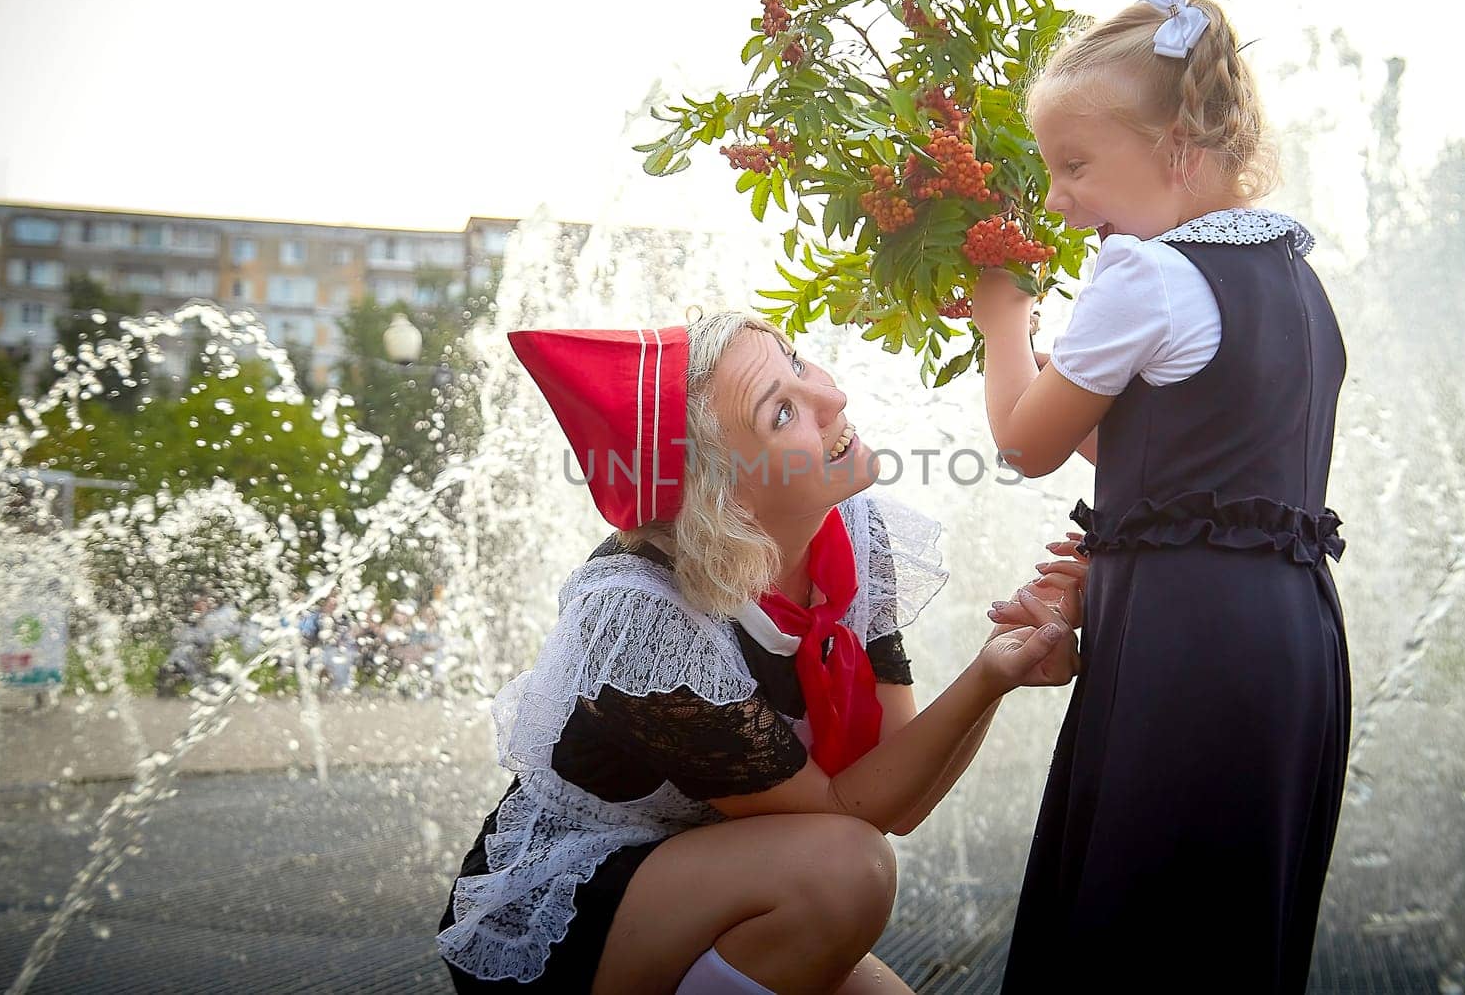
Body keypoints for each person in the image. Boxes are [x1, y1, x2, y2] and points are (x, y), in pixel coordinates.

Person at [437, 314, 1085, 994]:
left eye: (799, 364)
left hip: (732, 871)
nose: (831, 398)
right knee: (847, 873)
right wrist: (986, 680)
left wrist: (995, 665)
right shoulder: (642, 616)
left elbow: (898, 799)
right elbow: (846, 818)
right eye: (782, 411)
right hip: (575, 910)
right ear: (724, 495)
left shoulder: (853, 536)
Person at [974, 0, 1351, 994]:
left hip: (1187, 640)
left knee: (1133, 924)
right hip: (1294, 638)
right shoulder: (1295, 278)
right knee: (1227, 924)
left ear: (1175, 150)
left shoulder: (1147, 272)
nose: (1058, 199)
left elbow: (1025, 441)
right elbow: (1178, 459)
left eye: (1074, 164)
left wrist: (1001, 319)